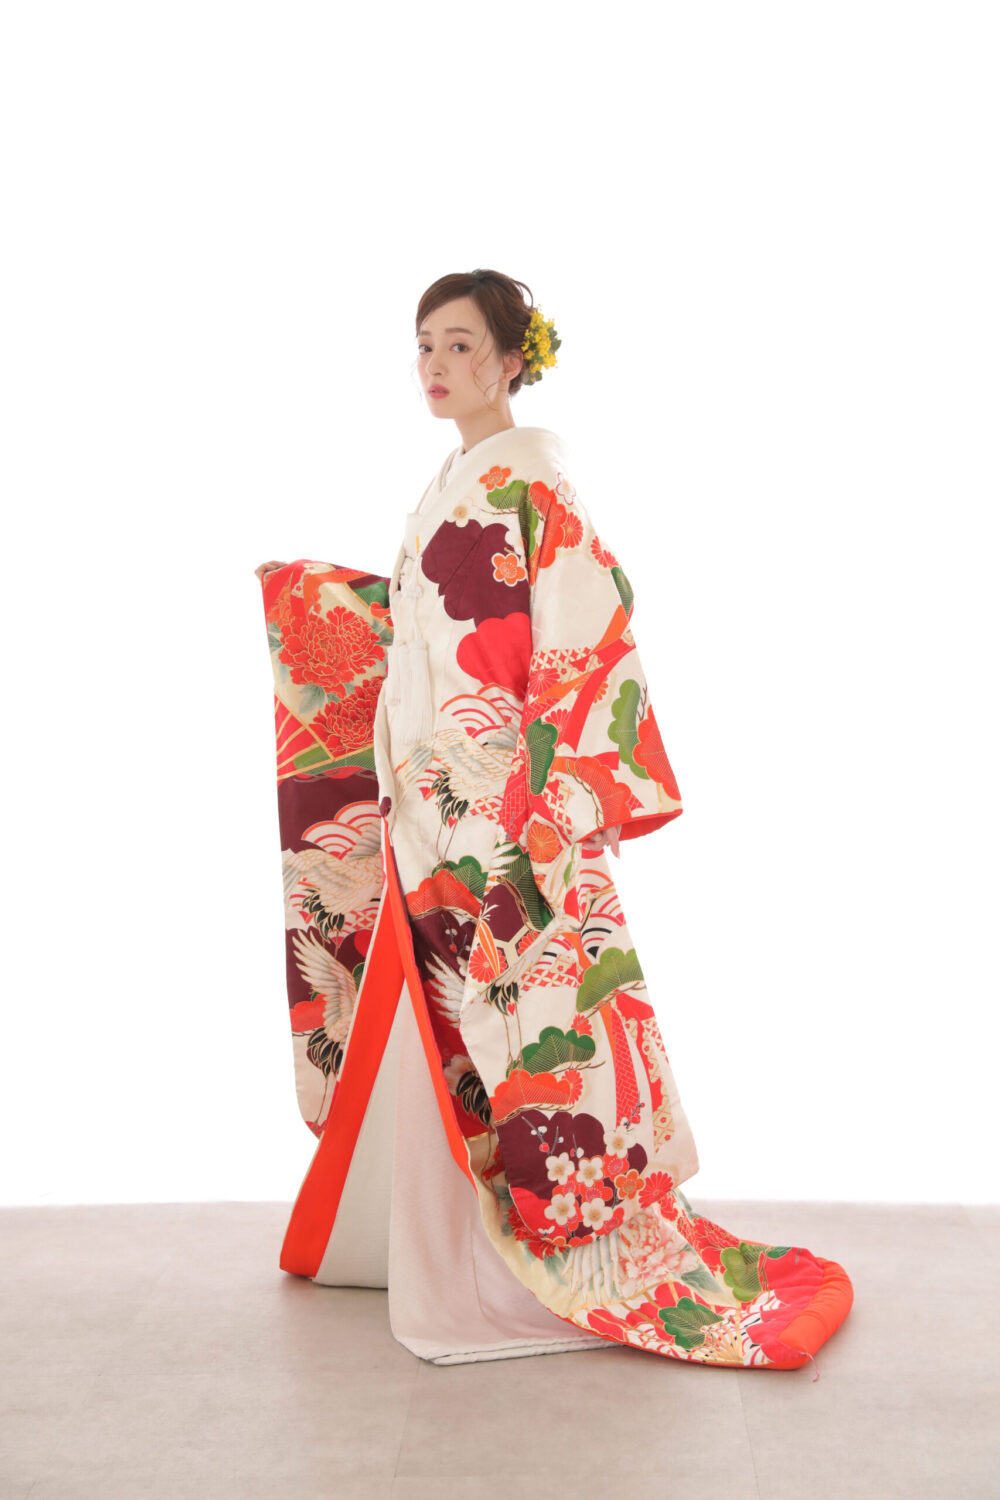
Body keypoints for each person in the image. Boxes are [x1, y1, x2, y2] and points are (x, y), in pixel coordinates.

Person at [255, 268, 853, 1369]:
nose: (436, 366)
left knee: (522, 1012)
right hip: (430, 793)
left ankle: (533, 1252)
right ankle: (445, 1243)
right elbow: (424, 627)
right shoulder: (450, 479)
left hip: (501, 798)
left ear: (511, 358)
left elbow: (584, 624)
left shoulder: (534, 473)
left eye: (459, 344)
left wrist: (549, 789)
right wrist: (318, 598)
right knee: (444, 1014)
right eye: (423, 346)